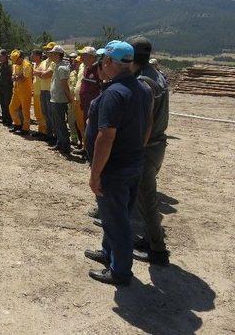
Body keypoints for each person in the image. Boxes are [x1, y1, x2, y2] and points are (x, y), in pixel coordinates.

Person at [84, 40, 153, 286]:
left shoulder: (114, 93)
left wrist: (95, 174)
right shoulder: (143, 88)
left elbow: (106, 137)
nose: (102, 64)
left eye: (104, 60)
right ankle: (108, 253)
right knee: (115, 215)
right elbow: (148, 127)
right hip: (133, 163)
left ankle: (120, 271)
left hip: (114, 169)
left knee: (118, 221)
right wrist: (137, 151)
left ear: (111, 62)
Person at [128, 36, 171, 266]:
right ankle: (149, 238)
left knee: (147, 200)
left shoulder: (144, 82)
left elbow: (144, 122)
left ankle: (158, 250)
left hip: (147, 147)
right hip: (157, 145)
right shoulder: (157, 76)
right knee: (145, 198)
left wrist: (135, 147)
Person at [47, 45, 73, 155]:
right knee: (57, 123)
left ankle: (65, 146)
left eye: (52, 53)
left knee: (61, 123)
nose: (50, 55)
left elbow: (64, 85)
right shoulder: (57, 65)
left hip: (59, 100)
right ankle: (60, 143)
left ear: (58, 54)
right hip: (55, 98)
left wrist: (70, 98)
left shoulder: (62, 67)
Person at [34, 42, 57, 145]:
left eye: (49, 50)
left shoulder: (54, 62)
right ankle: (48, 134)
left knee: (51, 114)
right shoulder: (44, 62)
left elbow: (45, 75)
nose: (47, 51)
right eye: (46, 50)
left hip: (50, 90)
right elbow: (37, 72)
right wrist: (41, 73)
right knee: (45, 113)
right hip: (43, 90)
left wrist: (40, 73)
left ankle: (54, 136)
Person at [9, 49, 33, 134]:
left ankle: (25, 128)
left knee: (25, 111)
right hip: (16, 90)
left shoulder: (27, 65)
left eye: (16, 61)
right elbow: (14, 76)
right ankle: (17, 124)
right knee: (11, 108)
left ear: (20, 58)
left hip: (26, 91)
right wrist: (14, 77)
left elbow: (24, 78)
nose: (15, 63)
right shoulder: (15, 65)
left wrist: (16, 78)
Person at [30, 49, 47, 138]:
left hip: (41, 92)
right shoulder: (35, 65)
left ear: (38, 56)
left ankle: (44, 131)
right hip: (36, 92)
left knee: (41, 112)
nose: (31, 56)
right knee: (37, 112)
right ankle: (40, 130)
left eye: (33, 55)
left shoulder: (42, 64)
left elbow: (43, 75)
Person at [0, 49, 13, 126]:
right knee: (2, 103)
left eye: (0, 56)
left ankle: (9, 119)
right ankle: (4, 118)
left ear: (5, 56)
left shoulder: (10, 64)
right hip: (0, 87)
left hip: (7, 87)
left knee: (7, 103)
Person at [68, 55, 83, 146]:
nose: (75, 64)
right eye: (75, 62)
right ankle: (74, 139)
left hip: (79, 101)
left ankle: (81, 142)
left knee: (80, 123)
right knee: (71, 121)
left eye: (77, 62)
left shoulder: (83, 73)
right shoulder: (72, 73)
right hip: (71, 101)